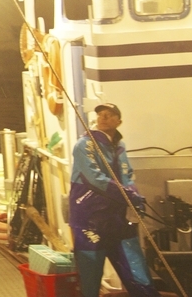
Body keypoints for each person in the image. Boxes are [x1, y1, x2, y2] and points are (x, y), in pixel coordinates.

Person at [69, 103, 160, 297]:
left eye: (110, 115)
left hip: (118, 217)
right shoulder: (84, 145)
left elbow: (127, 174)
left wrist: (134, 196)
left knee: (136, 268)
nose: (103, 118)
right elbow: (94, 179)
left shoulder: (119, 146)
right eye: (101, 114)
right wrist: (126, 194)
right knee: (90, 274)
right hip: (90, 219)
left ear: (119, 121)